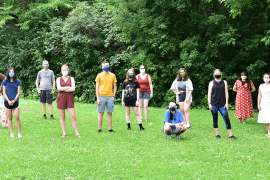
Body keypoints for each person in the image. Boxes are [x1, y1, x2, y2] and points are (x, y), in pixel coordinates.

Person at [208, 69, 237, 139]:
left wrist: (226, 103)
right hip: (214, 103)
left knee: (227, 118)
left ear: (221, 74)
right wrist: (209, 103)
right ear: (213, 74)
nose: (217, 74)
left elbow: (226, 93)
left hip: (222, 104)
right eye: (216, 73)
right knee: (215, 119)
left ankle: (230, 135)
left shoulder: (224, 82)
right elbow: (209, 93)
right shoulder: (211, 83)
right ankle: (217, 134)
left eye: (218, 73)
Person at [56, 64, 80, 138]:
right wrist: (67, 87)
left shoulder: (71, 79)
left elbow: (73, 89)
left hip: (69, 98)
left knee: (73, 116)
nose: (64, 71)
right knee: (62, 116)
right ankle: (64, 133)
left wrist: (63, 88)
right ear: (61, 71)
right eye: (63, 70)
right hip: (61, 98)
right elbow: (59, 89)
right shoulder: (58, 79)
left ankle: (77, 133)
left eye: (66, 70)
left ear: (68, 70)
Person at [95, 61, 117, 133]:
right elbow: (97, 87)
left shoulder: (113, 75)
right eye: (104, 66)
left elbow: (115, 86)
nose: (106, 67)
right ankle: (99, 129)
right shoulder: (99, 75)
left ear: (109, 66)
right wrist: (98, 98)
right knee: (101, 113)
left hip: (110, 97)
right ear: (102, 67)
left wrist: (113, 96)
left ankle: (110, 129)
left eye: (107, 65)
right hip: (101, 96)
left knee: (109, 113)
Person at [1, 68, 22, 138]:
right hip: (7, 102)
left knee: (17, 117)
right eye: (10, 71)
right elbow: (4, 92)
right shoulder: (5, 81)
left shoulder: (18, 81)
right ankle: (11, 133)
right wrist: (8, 100)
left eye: (13, 71)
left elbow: (18, 92)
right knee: (10, 117)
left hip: (15, 102)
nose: (11, 73)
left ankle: (19, 133)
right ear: (8, 73)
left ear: (15, 73)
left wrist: (14, 100)